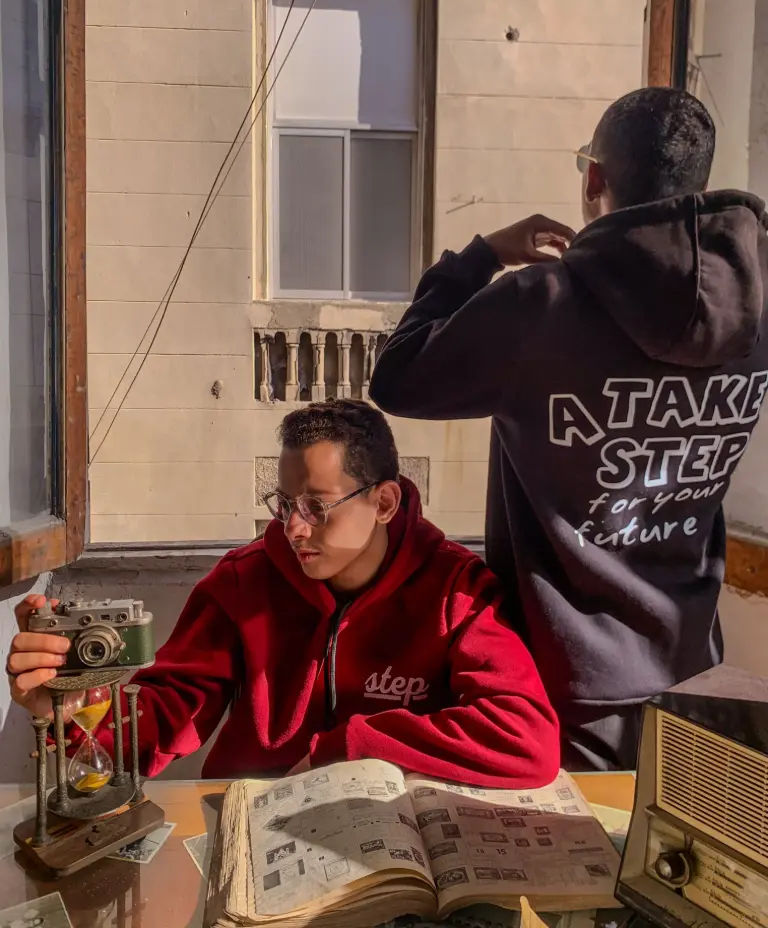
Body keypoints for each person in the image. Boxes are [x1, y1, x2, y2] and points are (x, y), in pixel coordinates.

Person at [370, 87, 768, 772]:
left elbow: (397, 378)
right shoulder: (757, 313)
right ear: (699, 187)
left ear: (593, 180)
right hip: (694, 665)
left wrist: (481, 256)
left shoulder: (539, 306)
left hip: (560, 679)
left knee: (577, 840)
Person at [7, 399, 559, 786]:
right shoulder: (244, 581)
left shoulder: (456, 590)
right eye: (285, 504)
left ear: (384, 503)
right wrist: (79, 708)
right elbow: (173, 709)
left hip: (395, 832)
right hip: (258, 821)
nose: (294, 528)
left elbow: (526, 739)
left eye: (316, 506)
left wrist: (350, 747)